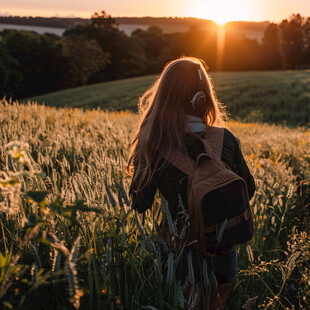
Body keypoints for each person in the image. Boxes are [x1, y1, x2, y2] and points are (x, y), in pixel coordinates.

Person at [127, 56, 255, 309]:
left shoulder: (154, 143)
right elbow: (248, 190)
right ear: (203, 96)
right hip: (223, 246)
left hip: (179, 249)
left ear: (165, 96)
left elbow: (139, 203)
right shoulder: (225, 138)